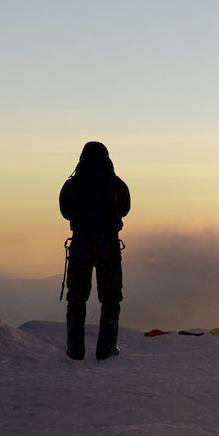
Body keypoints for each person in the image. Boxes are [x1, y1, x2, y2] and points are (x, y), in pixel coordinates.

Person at [59, 141, 130, 360]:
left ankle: (75, 350)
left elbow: (65, 210)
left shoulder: (73, 185)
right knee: (110, 298)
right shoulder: (116, 184)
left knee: (77, 298)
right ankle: (106, 349)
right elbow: (125, 209)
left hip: (81, 245)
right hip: (108, 246)